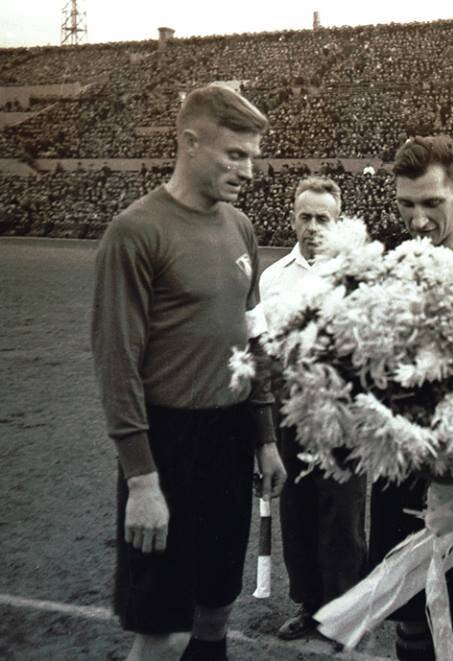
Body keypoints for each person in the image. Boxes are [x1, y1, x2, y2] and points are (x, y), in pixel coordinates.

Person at [91, 84, 286, 661]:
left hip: (229, 440)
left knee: (216, 609)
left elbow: (251, 338)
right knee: (165, 631)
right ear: (190, 142)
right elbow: (117, 362)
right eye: (235, 154)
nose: (248, 170)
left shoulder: (240, 226)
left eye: (252, 156)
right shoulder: (135, 232)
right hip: (166, 444)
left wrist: (265, 437)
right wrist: (142, 480)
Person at [367, 135, 453, 661]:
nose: (418, 219)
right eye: (406, 204)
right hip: (398, 475)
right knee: (410, 624)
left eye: (432, 202)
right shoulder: (385, 266)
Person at [258, 176, 367, 644]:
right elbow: (264, 352)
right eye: (305, 216)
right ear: (292, 218)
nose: (313, 226)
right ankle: (309, 605)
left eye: (323, 218)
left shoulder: (356, 274)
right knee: (297, 513)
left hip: (343, 415)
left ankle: (343, 615)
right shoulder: (273, 278)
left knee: (342, 518)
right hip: (292, 413)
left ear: (338, 222)